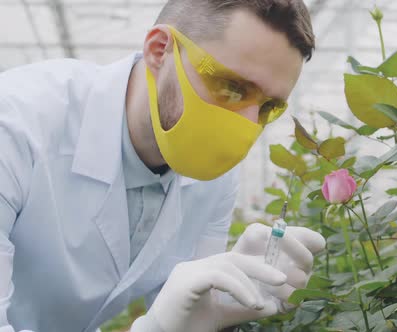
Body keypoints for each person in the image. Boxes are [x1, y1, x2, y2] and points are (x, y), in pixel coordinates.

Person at [0, 0, 326, 331]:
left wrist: (223, 304)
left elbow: (189, 309)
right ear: (159, 51)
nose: (246, 125)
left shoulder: (217, 176)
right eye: (232, 88)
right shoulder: (15, 123)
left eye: (268, 107)